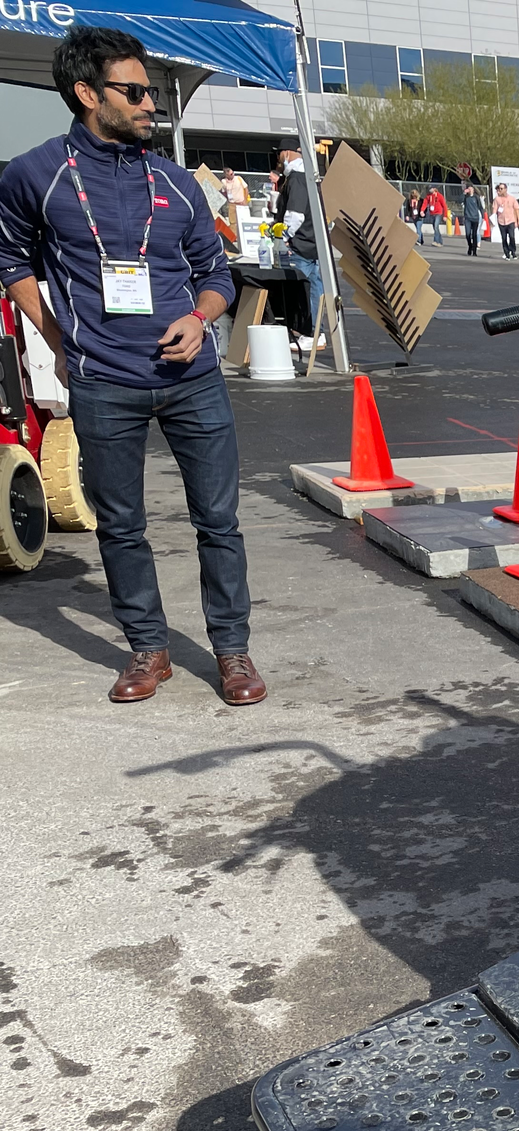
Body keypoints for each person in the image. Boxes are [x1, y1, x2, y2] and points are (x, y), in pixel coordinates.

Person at [0, 26, 265, 705]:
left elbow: (216, 274)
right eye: (136, 91)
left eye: (152, 91)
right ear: (88, 93)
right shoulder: (35, 174)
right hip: (103, 382)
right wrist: (58, 338)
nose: (152, 103)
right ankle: (149, 649)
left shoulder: (175, 183)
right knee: (121, 524)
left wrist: (199, 317)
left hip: (193, 382)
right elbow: (11, 261)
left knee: (219, 520)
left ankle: (233, 653)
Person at [271, 144, 325, 352]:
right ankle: (313, 331)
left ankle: (312, 332)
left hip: (301, 243)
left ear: (285, 153)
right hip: (313, 241)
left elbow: (296, 214)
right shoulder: (308, 177)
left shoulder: (297, 178)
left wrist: (284, 236)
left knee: (305, 290)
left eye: (279, 154)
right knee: (313, 289)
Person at [492, 182, 519, 259]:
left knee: (512, 237)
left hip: (511, 220)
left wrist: (518, 221)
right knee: (504, 238)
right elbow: (494, 209)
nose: (500, 190)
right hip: (501, 221)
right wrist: (493, 219)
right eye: (499, 188)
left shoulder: (512, 198)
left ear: (505, 189)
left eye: (501, 188)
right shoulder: (497, 199)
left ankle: (513, 251)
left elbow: (516, 209)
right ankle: (506, 253)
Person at [461, 183, 483, 256]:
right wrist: (464, 193)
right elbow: (460, 200)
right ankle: (470, 246)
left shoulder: (476, 197)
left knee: (474, 234)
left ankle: (474, 250)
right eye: (468, 188)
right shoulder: (466, 197)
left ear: (473, 189)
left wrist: (483, 217)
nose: (470, 190)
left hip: (475, 218)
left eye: (471, 188)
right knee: (467, 234)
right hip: (467, 217)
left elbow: (480, 207)